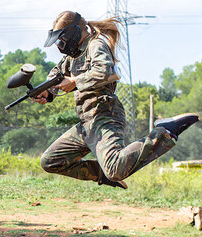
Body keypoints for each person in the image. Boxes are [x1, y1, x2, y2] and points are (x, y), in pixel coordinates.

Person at [34, 11, 199, 188]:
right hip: (86, 124)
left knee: (116, 170)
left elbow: (105, 71)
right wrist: (47, 91)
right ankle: (102, 174)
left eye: (62, 38)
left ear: (73, 32)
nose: (61, 44)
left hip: (106, 117)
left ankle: (165, 131)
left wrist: (75, 81)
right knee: (51, 161)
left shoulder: (96, 45)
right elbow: (56, 75)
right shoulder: (74, 55)